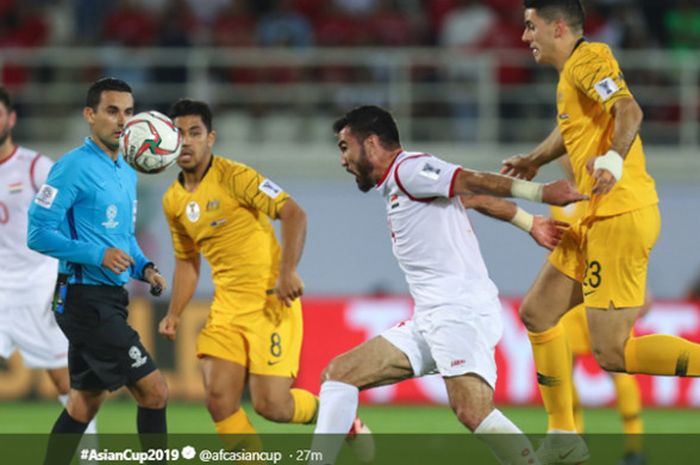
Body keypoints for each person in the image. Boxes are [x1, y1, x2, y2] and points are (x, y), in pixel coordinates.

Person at [309, 105, 586, 465]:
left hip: (460, 312)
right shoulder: (402, 182)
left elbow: (469, 181)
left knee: (473, 410)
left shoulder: (409, 169)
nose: (343, 159)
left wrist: (539, 194)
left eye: (345, 147)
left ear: (372, 143)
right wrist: (528, 222)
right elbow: (471, 197)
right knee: (339, 375)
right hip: (431, 317)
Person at [500, 1, 700, 462]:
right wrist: (535, 159)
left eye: (531, 28)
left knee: (611, 353)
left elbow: (629, 112)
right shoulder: (571, 75)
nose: (525, 37)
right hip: (595, 217)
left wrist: (612, 160)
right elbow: (571, 128)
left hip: (619, 213)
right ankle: (563, 435)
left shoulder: (590, 59)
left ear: (558, 27)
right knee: (538, 313)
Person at [157, 99, 319, 443]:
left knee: (272, 406)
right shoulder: (173, 199)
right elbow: (187, 261)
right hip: (226, 309)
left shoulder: (235, 177)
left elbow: (294, 213)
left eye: (195, 133)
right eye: (177, 134)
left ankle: (339, 415)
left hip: (269, 303)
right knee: (218, 400)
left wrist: (287, 271)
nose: (185, 141)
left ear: (210, 138)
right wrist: (174, 312)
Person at [27, 77, 169, 465]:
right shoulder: (71, 168)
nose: (122, 120)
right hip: (82, 298)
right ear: (90, 115)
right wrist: (96, 253)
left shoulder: (126, 169)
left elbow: (123, 239)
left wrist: (145, 267)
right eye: (111, 110)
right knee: (155, 391)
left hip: (109, 298)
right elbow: (37, 233)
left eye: (127, 111)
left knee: (84, 403)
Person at [0, 85, 99, 436]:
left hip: (35, 286)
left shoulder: (35, 168)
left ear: (10, 119)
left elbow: (76, 209)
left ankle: (91, 455)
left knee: (62, 378)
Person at [552, 157, 647, 465]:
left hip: (606, 290)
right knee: (564, 372)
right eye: (562, 153)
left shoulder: (605, 187)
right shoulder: (559, 197)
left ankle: (635, 448)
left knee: (619, 365)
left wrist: (642, 287)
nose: (566, 158)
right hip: (570, 299)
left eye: (570, 151)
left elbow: (628, 235)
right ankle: (575, 441)